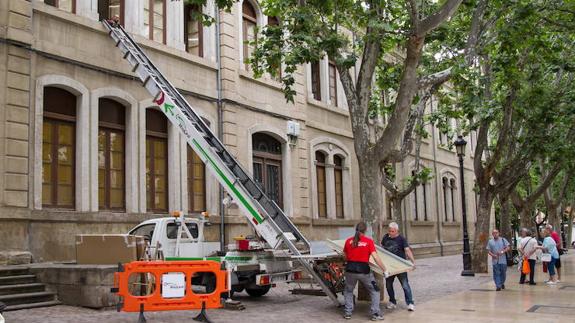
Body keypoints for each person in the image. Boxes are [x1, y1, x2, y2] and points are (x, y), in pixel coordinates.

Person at [343, 222, 388, 321]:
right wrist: (384, 269)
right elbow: (376, 257)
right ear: (365, 230)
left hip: (350, 270)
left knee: (348, 290)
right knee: (375, 291)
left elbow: (345, 256)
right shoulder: (368, 241)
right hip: (364, 271)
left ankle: (348, 313)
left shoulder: (348, 241)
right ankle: (375, 313)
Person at [381, 222, 416, 312]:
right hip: (389, 266)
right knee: (388, 285)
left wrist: (413, 262)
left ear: (397, 231)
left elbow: (407, 250)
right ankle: (392, 302)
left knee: (405, 285)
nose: (390, 233)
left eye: (392, 231)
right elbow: (382, 249)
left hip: (400, 267)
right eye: (389, 231)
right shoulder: (385, 237)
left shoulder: (402, 239)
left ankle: (410, 303)